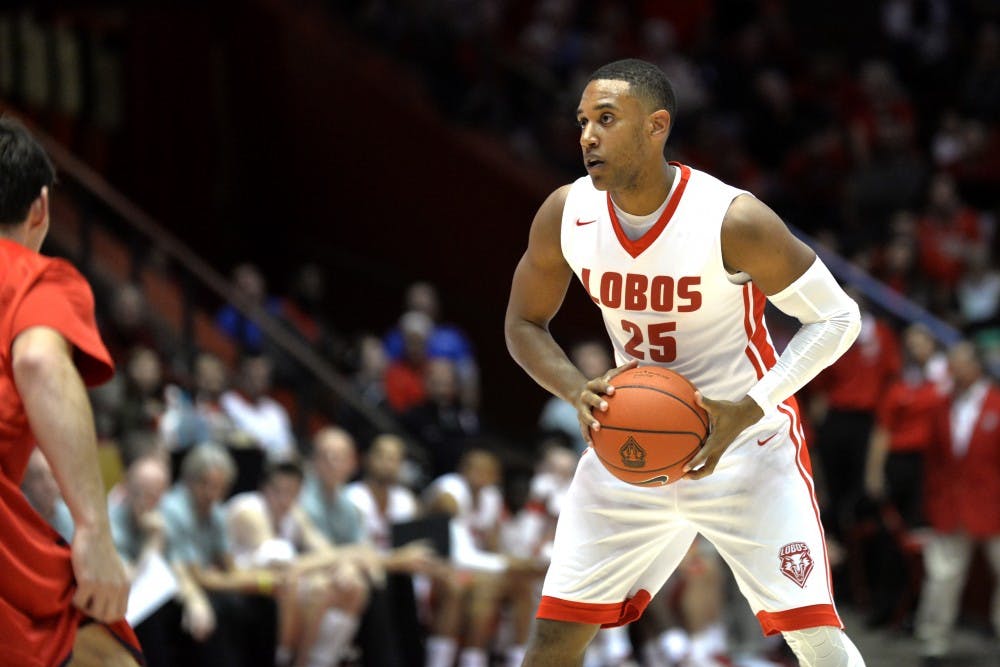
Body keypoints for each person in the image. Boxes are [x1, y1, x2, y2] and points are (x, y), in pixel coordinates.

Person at [504, 59, 864, 666]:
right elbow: (522, 322)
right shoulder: (566, 213)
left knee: (816, 640)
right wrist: (575, 389)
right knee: (554, 637)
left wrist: (747, 409)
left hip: (746, 447)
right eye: (583, 121)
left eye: (607, 120)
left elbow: (837, 319)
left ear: (656, 126)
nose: (588, 135)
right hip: (630, 441)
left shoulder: (731, 218)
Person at [0, 117, 141, 666]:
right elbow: (38, 361)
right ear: (40, 208)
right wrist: (93, 531)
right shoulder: (36, 277)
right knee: (102, 655)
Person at [914, 342, 1000, 661]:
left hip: (994, 505)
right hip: (950, 507)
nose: (952, 369)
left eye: (959, 363)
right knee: (941, 579)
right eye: (951, 363)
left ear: (977, 366)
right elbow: (933, 461)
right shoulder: (941, 406)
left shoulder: (997, 402)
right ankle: (933, 642)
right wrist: (933, 502)